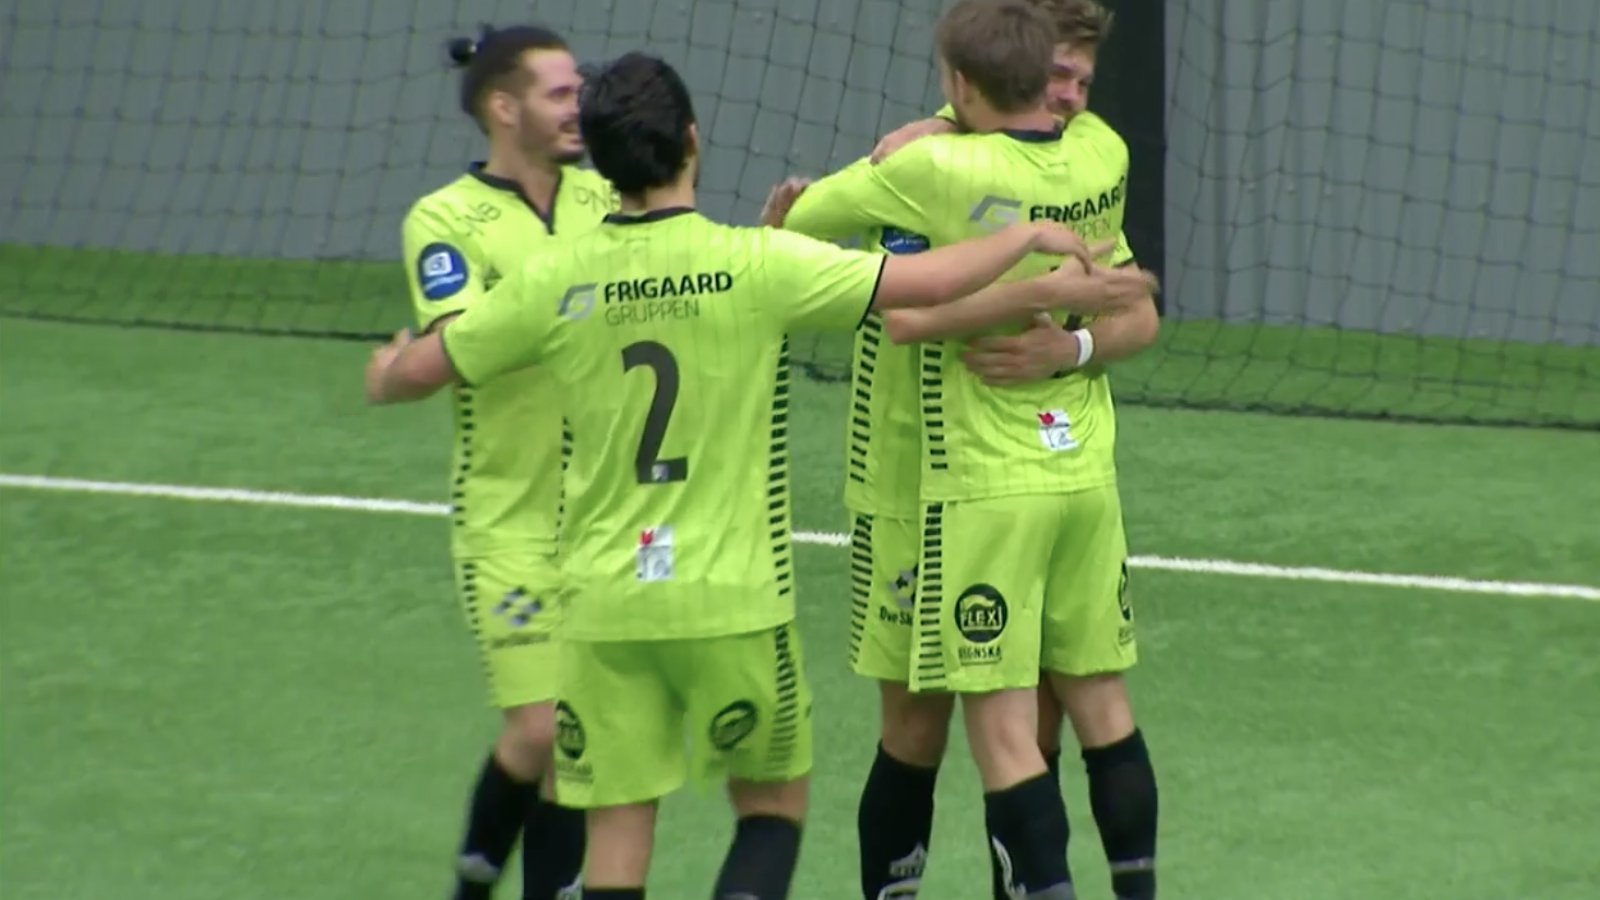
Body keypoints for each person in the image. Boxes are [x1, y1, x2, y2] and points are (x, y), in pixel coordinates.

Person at [365, 52, 1136, 900]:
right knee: (770, 807)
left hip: (605, 606)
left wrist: (386, 374)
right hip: (734, 603)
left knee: (617, 832)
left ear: (603, 169)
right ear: (693, 142)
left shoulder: (551, 279)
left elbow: (431, 364)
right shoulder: (757, 265)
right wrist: (1025, 237)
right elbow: (922, 281)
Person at [762, 1, 1159, 896]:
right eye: (1058, 77)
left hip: (967, 483)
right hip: (948, 475)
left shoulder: (929, 165)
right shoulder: (1093, 153)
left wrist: (1063, 340)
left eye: (1082, 80)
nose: (1070, 97)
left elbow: (801, 235)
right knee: (949, 722)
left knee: (996, 730)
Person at [399, 23, 615, 900]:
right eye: (559, 94)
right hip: (508, 520)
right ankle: (475, 879)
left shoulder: (607, 196)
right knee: (542, 731)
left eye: (579, 91)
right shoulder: (445, 219)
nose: (578, 107)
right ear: (503, 107)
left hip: (607, 514)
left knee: (581, 742)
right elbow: (463, 346)